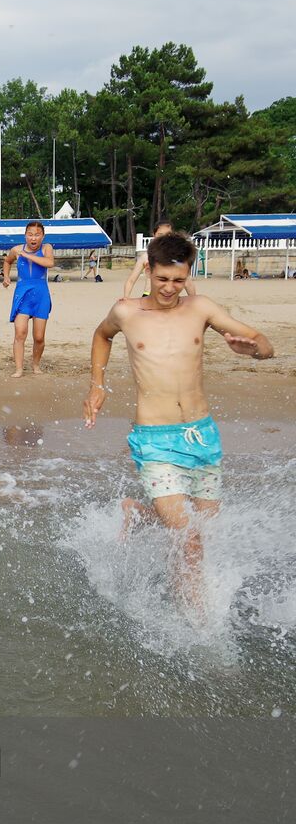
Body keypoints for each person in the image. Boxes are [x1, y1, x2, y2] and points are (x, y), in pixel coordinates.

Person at [83, 232, 274, 613]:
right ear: (148, 271)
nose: (170, 288)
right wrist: (97, 385)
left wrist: (254, 350)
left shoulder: (200, 308)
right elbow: (101, 336)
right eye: (162, 279)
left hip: (202, 436)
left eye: (178, 280)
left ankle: (140, 515)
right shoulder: (126, 311)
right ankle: (198, 623)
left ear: (188, 275)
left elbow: (262, 342)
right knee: (189, 539)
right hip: (154, 438)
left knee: (199, 534)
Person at [2, 221, 57, 378]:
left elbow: (49, 263)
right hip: (23, 293)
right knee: (20, 333)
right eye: (30, 234)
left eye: (37, 235)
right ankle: (19, 369)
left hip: (41, 294)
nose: (33, 238)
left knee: (39, 337)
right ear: (25, 235)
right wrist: (6, 277)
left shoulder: (47, 248)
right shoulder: (17, 249)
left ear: (43, 236)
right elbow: (7, 261)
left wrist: (27, 255)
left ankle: (36, 365)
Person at [122, 222, 196, 299]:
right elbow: (131, 280)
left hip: (169, 296)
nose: (164, 238)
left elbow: (188, 282)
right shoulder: (146, 257)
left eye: (168, 234)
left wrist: (193, 300)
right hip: (149, 296)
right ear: (154, 235)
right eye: (160, 235)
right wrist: (126, 297)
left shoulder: (178, 258)